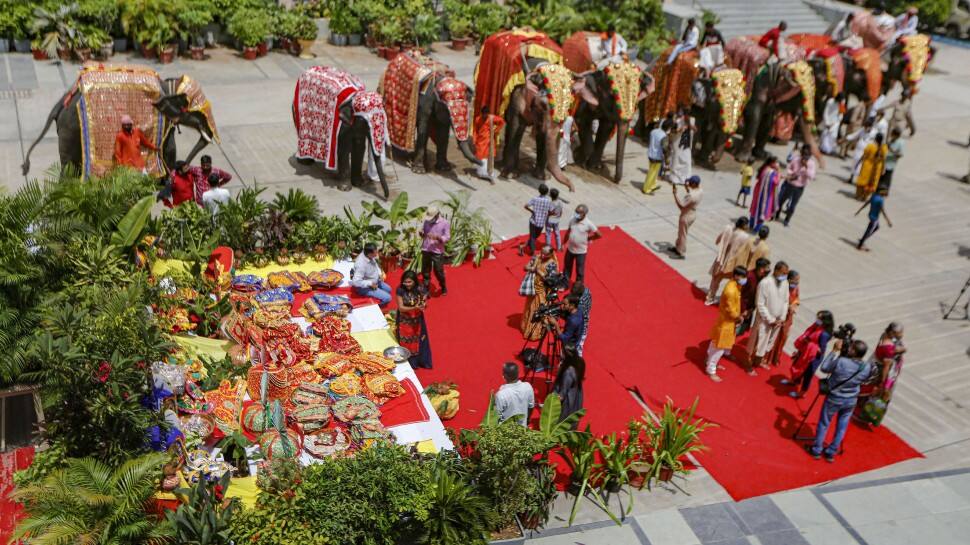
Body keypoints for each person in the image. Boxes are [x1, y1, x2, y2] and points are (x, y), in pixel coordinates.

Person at [809, 339, 875, 462]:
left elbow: (824, 368)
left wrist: (834, 351)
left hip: (835, 398)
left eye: (851, 348)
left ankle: (816, 450)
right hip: (851, 400)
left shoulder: (842, 361)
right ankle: (831, 452)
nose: (848, 349)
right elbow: (866, 380)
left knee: (824, 423)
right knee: (842, 427)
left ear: (854, 351)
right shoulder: (866, 367)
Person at [856, 322, 906, 426]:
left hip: (876, 367)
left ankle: (862, 412)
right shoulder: (888, 347)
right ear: (893, 332)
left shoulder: (886, 336)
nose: (902, 334)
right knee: (876, 395)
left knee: (867, 392)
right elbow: (887, 366)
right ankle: (865, 416)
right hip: (881, 373)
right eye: (900, 332)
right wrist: (883, 383)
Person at [746, 261, 790, 375]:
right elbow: (760, 304)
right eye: (783, 273)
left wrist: (782, 317)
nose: (785, 275)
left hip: (777, 321)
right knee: (757, 342)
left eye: (786, 273)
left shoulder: (785, 283)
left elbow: (786, 301)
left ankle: (758, 361)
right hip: (764, 320)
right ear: (776, 270)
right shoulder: (765, 283)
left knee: (768, 343)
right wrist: (770, 319)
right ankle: (748, 364)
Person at [706, 266, 748, 382]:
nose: (745, 279)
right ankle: (711, 370)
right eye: (743, 277)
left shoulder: (735, 286)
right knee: (720, 347)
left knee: (715, 342)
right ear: (736, 276)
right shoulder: (731, 290)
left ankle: (709, 361)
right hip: (727, 323)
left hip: (726, 322)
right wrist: (738, 317)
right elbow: (730, 310)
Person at [783, 310, 835, 398]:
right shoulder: (817, 326)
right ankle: (794, 381)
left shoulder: (824, 334)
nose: (817, 319)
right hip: (805, 351)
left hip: (813, 357)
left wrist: (810, 345)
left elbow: (821, 350)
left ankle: (802, 393)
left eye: (819, 318)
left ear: (825, 321)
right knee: (797, 365)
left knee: (807, 375)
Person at [705, 217, 750, 305]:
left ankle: (709, 298)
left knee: (716, 279)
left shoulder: (728, 229)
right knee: (734, 282)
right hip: (732, 262)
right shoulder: (745, 236)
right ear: (744, 225)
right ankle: (728, 300)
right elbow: (743, 253)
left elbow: (718, 240)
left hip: (721, 259)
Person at [519, 245, 559, 341]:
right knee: (530, 308)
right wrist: (531, 268)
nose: (542, 255)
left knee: (539, 311)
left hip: (542, 292)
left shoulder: (552, 264)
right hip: (533, 290)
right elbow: (525, 267)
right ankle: (527, 327)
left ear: (550, 254)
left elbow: (550, 281)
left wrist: (539, 272)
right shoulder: (537, 257)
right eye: (541, 252)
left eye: (544, 254)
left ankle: (536, 333)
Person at [395, 270, 432, 369]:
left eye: (409, 282)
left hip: (417, 319)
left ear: (414, 281)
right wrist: (414, 308)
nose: (407, 284)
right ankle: (408, 362)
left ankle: (419, 361)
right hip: (404, 320)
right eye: (405, 282)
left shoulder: (420, 288)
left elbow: (424, 301)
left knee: (418, 340)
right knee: (406, 341)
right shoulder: (400, 290)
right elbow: (401, 308)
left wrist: (423, 305)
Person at [776, 145, 816, 226]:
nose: (805, 157)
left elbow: (811, 176)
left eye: (807, 155)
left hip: (799, 187)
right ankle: (776, 214)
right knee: (781, 200)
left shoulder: (811, 164)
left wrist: (806, 168)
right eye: (804, 154)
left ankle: (787, 220)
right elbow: (789, 168)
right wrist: (792, 173)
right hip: (790, 184)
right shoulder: (796, 159)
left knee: (793, 205)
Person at [766, 270, 799, 367]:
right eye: (794, 281)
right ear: (789, 279)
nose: (796, 284)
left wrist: (794, 305)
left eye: (797, 281)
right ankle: (767, 357)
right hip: (780, 314)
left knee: (783, 337)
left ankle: (776, 357)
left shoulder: (796, 288)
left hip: (788, 317)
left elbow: (796, 298)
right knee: (774, 336)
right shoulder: (781, 287)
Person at [564, 204, 600, 284]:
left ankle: (578, 287)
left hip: (581, 252)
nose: (576, 214)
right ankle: (565, 283)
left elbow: (599, 234)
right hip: (570, 249)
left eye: (578, 212)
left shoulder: (588, 223)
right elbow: (568, 231)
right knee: (567, 267)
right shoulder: (572, 219)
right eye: (576, 211)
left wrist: (589, 238)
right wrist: (563, 243)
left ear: (584, 214)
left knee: (579, 270)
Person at [420, 206, 450, 296]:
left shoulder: (445, 223)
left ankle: (443, 286)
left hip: (437, 251)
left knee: (438, 271)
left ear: (437, 215)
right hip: (426, 249)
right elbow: (424, 233)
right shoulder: (426, 221)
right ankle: (426, 287)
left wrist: (438, 238)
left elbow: (447, 237)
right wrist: (422, 234)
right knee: (425, 270)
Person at [738, 257, 771, 336]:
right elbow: (740, 294)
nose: (769, 269)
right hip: (742, 308)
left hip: (750, 308)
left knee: (741, 330)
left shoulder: (762, 278)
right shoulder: (749, 277)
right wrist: (743, 310)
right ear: (761, 269)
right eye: (767, 267)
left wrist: (752, 309)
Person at [672, 175, 703, 259]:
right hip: (692, 213)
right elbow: (691, 193)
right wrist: (687, 188)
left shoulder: (691, 195)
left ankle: (681, 253)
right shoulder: (700, 190)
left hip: (686, 215)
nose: (688, 183)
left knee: (683, 234)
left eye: (690, 182)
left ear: (693, 183)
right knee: (681, 232)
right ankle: (678, 247)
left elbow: (681, 206)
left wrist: (675, 194)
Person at [494, 362, 535, 426]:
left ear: (504, 375)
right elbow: (531, 406)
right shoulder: (528, 387)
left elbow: (497, 415)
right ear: (518, 374)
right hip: (523, 427)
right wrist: (527, 419)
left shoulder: (501, 395)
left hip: (506, 431)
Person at [855, 187, 893, 251]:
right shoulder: (880, 200)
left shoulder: (874, 196)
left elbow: (866, 203)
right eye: (886, 193)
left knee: (876, 227)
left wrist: (859, 210)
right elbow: (883, 211)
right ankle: (860, 244)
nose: (887, 194)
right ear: (882, 192)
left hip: (870, 215)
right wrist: (888, 221)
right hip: (874, 218)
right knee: (869, 230)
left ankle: (862, 240)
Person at [749, 156, 781, 231]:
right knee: (763, 210)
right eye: (776, 162)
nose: (777, 164)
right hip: (766, 195)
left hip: (758, 191)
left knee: (754, 208)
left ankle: (751, 225)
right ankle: (756, 229)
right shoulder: (771, 172)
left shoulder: (764, 168)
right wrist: (778, 172)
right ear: (772, 163)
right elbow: (776, 182)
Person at [553, 351, 586, 423]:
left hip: (568, 401)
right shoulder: (580, 361)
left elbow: (561, 395)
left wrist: (550, 403)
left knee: (562, 421)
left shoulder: (568, 372)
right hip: (576, 394)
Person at [474, 106, 505, 180]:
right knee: (480, 155)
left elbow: (501, 122)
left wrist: (496, 130)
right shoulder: (478, 119)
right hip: (480, 141)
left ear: (488, 114)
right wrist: (474, 139)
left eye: (486, 114)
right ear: (482, 114)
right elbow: (475, 130)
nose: (484, 116)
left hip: (488, 141)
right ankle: (481, 172)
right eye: (483, 114)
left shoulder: (492, 118)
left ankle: (488, 172)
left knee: (489, 156)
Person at [855, 133, 887, 200]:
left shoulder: (870, 146)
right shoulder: (884, 147)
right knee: (872, 183)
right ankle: (865, 197)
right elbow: (884, 159)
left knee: (862, 181)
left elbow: (864, 155)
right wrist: (883, 168)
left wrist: (858, 163)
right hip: (877, 168)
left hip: (867, 166)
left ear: (875, 139)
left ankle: (858, 195)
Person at [523, 184, 553, 255]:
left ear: (539, 191)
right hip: (541, 222)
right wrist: (547, 215)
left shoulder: (535, 199)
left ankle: (530, 248)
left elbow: (525, 206)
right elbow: (551, 211)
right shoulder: (548, 201)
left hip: (533, 221)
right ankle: (531, 249)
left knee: (533, 236)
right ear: (547, 192)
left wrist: (531, 211)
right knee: (535, 236)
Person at [643, 120, 670, 195]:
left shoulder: (653, 131)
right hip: (657, 157)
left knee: (652, 171)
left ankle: (652, 185)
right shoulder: (664, 136)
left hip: (650, 154)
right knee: (652, 173)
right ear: (668, 128)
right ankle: (646, 188)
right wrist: (667, 159)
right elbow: (665, 148)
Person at [667, 109, 695, 184]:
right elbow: (671, 131)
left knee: (687, 162)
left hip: (687, 145)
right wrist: (680, 130)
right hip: (678, 145)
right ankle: (674, 179)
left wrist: (690, 126)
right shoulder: (678, 121)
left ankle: (685, 179)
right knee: (676, 161)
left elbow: (695, 130)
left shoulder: (692, 121)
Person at [570, 281, 592, 356]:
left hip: (580, 328)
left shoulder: (580, 304)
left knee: (577, 348)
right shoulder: (587, 291)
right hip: (584, 324)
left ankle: (577, 364)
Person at [881, 128, 904, 192]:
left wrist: (891, 151)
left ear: (897, 135)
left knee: (887, 178)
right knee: (882, 177)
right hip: (884, 162)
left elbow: (900, 155)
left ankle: (885, 191)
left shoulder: (900, 143)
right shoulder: (891, 141)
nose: (891, 135)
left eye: (892, 134)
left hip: (891, 164)